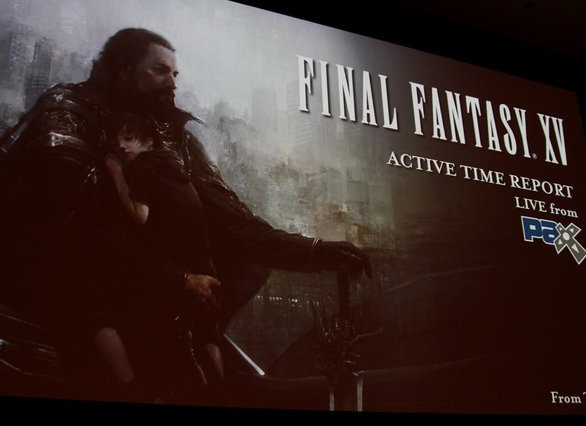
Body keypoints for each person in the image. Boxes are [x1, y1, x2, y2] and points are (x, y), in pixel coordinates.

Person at [0, 28, 371, 401]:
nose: (172, 83)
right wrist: (178, 280)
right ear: (123, 70)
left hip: (145, 284)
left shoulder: (168, 134)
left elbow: (232, 223)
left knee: (248, 265)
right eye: (160, 70)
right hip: (65, 283)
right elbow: (73, 232)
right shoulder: (67, 113)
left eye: (175, 73)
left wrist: (316, 252)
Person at [96, 112, 225, 398]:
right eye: (118, 142)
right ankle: (218, 393)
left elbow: (140, 215)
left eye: (129, 138)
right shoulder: (173, 165)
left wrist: (117, 174)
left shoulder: (142, 166)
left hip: (180, 270)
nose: (123, 147)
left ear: (149, 141)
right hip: (204, 264)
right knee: (207, 333)